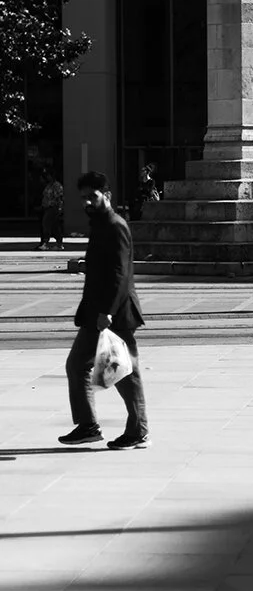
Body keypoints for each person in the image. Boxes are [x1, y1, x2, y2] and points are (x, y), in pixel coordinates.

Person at [58, 172, 149, 450]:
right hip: (95, 314)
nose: (87, 201)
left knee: (124, 371)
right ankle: (88, 426)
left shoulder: (115, 225)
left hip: (115, 314)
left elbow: (120, 274)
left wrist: (107, 312)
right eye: (83, 197)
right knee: (77, 365)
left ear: (106, 196)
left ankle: (138, 431)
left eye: (92, 196)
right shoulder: (99, 225)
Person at [37, 169, 65, 251]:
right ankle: (59, 243)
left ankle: (46, 242)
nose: (47, 177)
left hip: (53, 207)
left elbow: (59, 197)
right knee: (54, 226)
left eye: (48, 176)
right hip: (47, 207)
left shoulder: (56, 185)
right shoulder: (49, 185)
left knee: (46, 224)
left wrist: (60, 207)